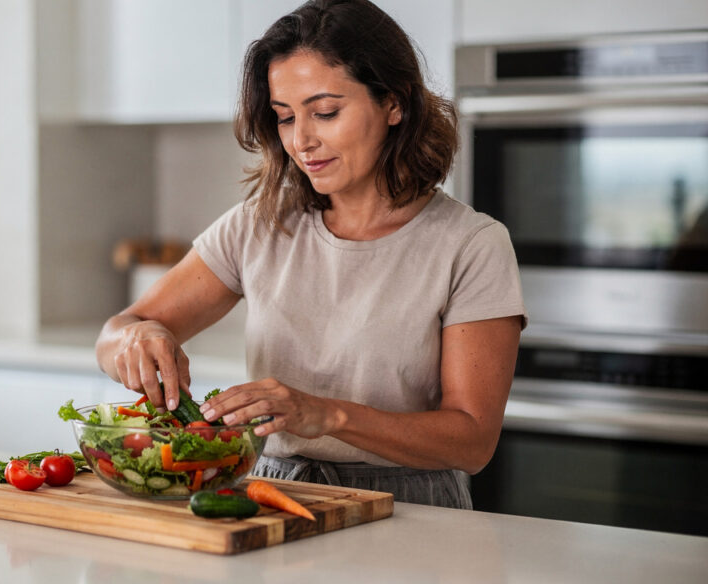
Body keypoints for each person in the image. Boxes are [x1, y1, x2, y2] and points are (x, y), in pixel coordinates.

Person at [95, 0, 526, 509]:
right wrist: (137, 337)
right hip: (271, 493)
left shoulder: (471, 244)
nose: (301, 141)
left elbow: (472, 441)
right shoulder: (260, 224)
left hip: (410, 506)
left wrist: (327, 414)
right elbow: (116, 332)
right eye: (284, 117)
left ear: (394, 104)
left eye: (325, 112)